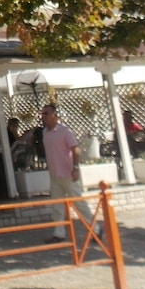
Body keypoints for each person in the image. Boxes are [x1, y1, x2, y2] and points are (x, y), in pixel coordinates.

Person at [40, 104, 101, 244]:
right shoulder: (45, 133)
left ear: (55, 115)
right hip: (54, 175)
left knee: (79, 204)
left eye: (46, 113)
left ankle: (95, 230)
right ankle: (59, 233)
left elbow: (75, 150)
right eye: (43, 114)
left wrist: (75, 167)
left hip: (68, 174)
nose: (44, 116)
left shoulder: (65, 132)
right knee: (57, 206)